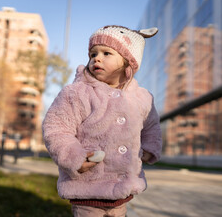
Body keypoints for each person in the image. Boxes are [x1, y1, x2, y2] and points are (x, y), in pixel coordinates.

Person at [42, 25, 162, 217]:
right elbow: (56, 128)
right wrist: (74, 157)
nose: (96, 58)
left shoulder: (142, 98)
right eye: (92, 54)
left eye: (107, 53)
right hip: (87, 187)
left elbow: (151, 126)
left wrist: (148, 148)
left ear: (128, 63)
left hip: (122, 188)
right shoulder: (76, 93)